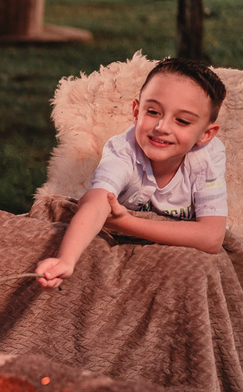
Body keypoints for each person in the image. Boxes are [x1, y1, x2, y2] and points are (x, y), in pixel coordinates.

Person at [36, 57, 228, 290]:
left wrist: (126, 223)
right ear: (137, 112)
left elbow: (211, 237)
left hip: (170, 245)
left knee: (198, 274)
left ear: (206, 135)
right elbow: (97, 204)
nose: (162, 127)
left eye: (182, 121)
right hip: (127, 246)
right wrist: (66, 259)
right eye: (153, 111)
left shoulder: (207, 158)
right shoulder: (123, 151)